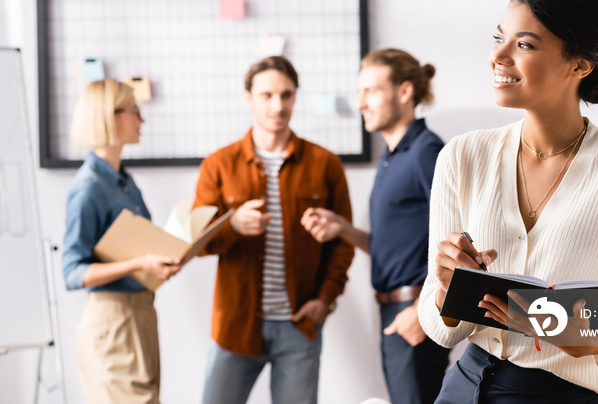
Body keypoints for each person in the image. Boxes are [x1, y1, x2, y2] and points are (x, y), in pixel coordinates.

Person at [417, 0, 598, 403]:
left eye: (524, 44)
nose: (498, 56)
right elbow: (439, 329)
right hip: (463, 385)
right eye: (499, 38)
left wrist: (592, 335)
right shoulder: (462, 157)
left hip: (561, 393)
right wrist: (447, 290)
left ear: (579, 64)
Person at [193, 56, 355, 404]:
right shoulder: (218, 165)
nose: (278, 106)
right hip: (236, 327)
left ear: (295, 96)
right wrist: (232, 225)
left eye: (286, 95)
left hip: (300, 325)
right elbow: (197, 243)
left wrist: (325, 300)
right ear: (248, 97)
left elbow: (342, 242)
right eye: (267, 95)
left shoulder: (325, 163)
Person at [301, 48, 449, 404]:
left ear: (404, 91)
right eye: (359, 92)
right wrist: (344, 230)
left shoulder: (426, 153)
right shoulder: (391, 158)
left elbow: (465, 238)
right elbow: (398, 245)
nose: (360, 103)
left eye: (371, 91)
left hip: (416, 310)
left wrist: (425, 311)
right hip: (395, 310)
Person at [62, 79, 182, 404]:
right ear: (109, 116)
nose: (142, 120)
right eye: (134, 111)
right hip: (112, 321)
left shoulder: (124, 182)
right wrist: (140, 264)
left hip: (141, 314)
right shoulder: (88, 188)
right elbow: (73, 272)